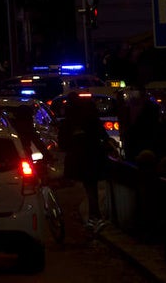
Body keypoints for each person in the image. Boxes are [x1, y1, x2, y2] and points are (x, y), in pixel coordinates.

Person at [61, 92, 112, 232]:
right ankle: (95, 214)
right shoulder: (89, 117)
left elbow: (63, 142)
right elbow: (102, 134)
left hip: (82, 157)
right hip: (93, 156)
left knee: (89, 186)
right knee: (91, 186)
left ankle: (94, 215)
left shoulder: (71, 118)